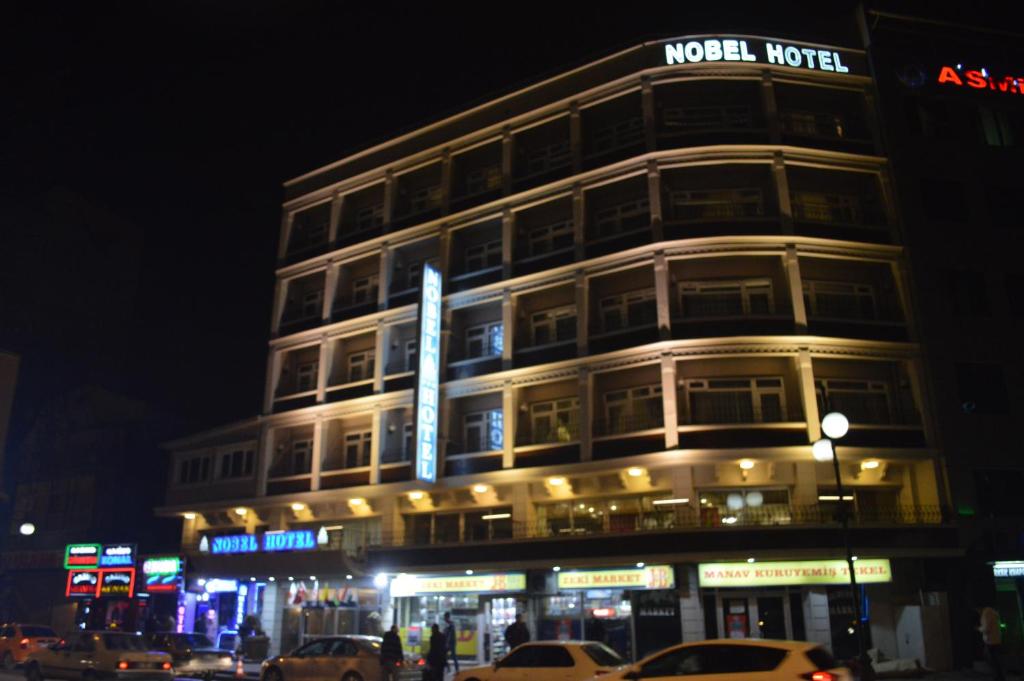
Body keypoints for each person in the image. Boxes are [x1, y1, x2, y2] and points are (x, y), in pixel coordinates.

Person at [978, 605, 1005, 681]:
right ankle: (999, 677)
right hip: (996, 640)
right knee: (995, 660)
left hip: (991, 641)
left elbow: (986, 628)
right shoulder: (993, 612)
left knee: (993, 660)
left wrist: (979, 629)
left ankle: (998, 677)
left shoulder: (986, 613)